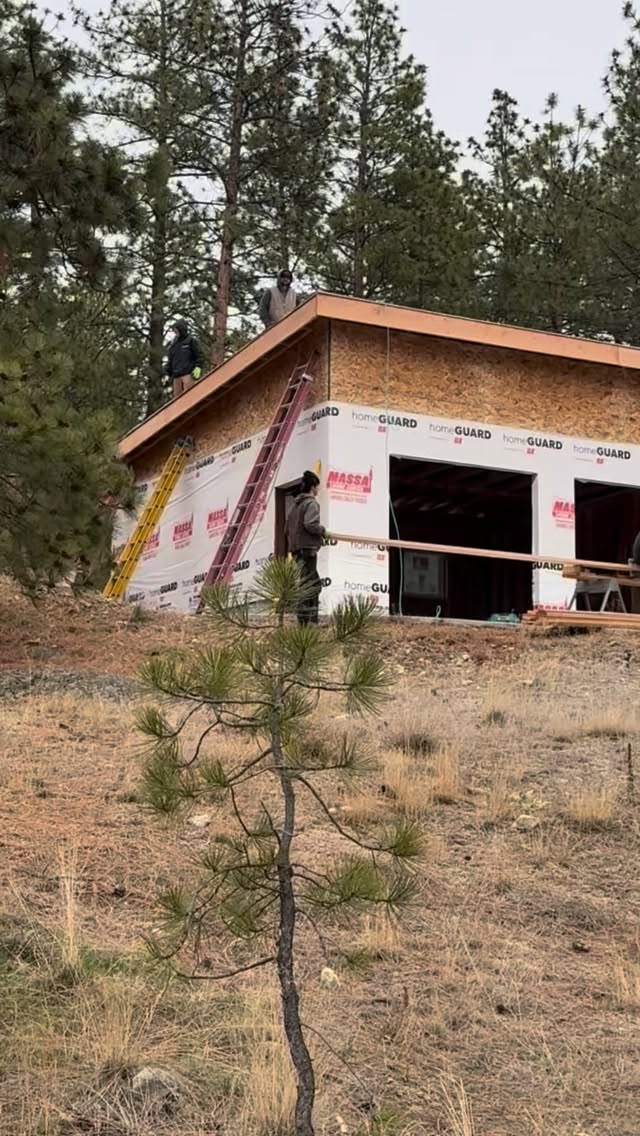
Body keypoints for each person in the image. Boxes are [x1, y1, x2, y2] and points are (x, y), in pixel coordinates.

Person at [285, 470, 326, 625]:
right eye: (317, 487)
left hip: (296, 550)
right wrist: (322, 530)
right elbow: (310, 524)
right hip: (307, 549)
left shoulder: (295, 506)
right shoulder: (311, 503)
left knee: (306, 583)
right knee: (312, 585)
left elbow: (286, 529)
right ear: (313, 487)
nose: (318, 491)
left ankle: (306, 621)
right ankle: (309, 621)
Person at [166, 319, 203, 398]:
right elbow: (171, 358)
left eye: (176, 330)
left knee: (190, 397)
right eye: (174, 330)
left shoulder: (191, 341)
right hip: (176, 376)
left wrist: (198, 367)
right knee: (176, 401)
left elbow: (199, 355)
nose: (175, 332)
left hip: (188, 374)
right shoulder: (174, 343)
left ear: (181, 329)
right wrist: (168, 370)